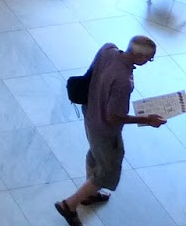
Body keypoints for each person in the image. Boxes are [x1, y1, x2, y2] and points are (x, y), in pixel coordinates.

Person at [55, 35, 166, 225]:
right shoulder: (124, 81)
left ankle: (89, 194)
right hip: (105, 130)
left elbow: (92, 75)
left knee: (95, 154)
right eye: (149, 58)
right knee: (108, 170)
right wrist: (147, 120)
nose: (149, 62)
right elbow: (113, 116)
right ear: (139, 57)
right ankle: (69, 205)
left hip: (90, 115)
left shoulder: (108, 49)